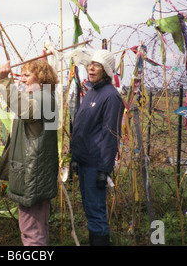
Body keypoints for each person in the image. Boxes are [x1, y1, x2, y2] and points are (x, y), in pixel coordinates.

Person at [0, 58, 59, 246]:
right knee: (37, 227)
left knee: (32, 232)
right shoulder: (41, 98)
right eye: (21, 74)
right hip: (33, 173)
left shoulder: (44, 98)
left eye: (26, 75)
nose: (21, 78)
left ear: (41, 77)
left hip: (33, 175)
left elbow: (23, 110)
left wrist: (4, 80)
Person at [70, 49, 125, 246]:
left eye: (97, 65)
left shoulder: (110, 97)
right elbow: (81, 128)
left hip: (95, 165)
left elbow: (111, 136)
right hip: (84, 161)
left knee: (96, 213)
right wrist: (75, 157)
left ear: (107, 70)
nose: (91, 68)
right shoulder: (91, 91)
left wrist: (104, 170)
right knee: (89, 209)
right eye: (90, 64)